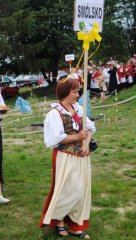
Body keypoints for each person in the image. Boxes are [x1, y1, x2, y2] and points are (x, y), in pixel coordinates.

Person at [39, 76, 96, 239]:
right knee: (66, 190)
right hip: (65, 156)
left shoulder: (77, 108)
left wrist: (86, 143)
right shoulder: (54, 113)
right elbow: (55, 139)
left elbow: (90, 128)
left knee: (80, 191)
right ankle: (59, 222)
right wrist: (78, 137)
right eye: (74, 91)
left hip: (82, 156)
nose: (77, 94)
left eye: (77, 90)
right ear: (65, 92)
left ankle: (75, 225)